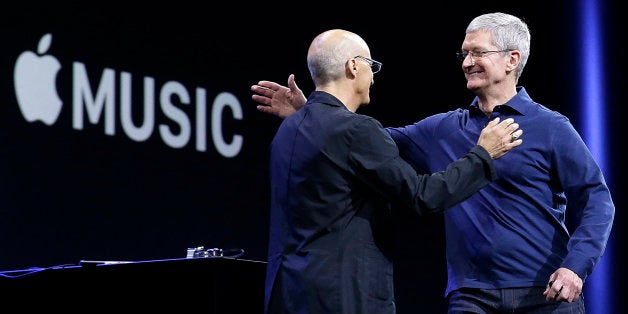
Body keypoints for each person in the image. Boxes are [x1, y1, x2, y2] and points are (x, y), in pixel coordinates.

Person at [252, 13, 614, 313]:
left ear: (512, 59)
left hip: (545, 293)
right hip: (471, 297)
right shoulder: (443, 129)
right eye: (463, 55)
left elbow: (597, 201)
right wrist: (314, 116)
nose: (467, 62)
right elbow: (363, 146)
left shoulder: (550, 127)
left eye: (477, 53)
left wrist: (575, 267)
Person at [263, 28, 522, 314]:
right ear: (353, 66)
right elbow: (423, 196)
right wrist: (483, 155)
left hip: (287, 295)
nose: (373, 77)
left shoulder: (290, 128)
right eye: (371, 66)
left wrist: (309, 115)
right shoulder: (356, 129)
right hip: (343, 298)